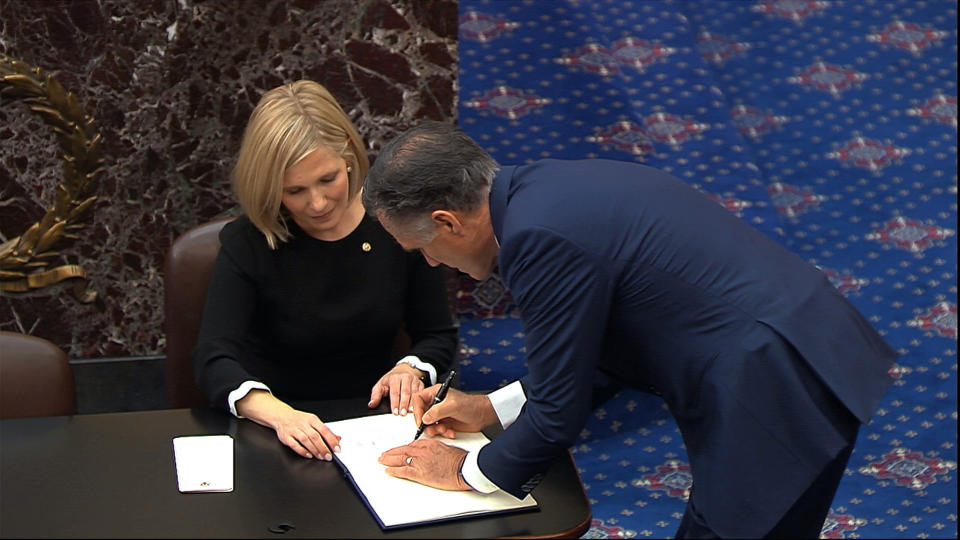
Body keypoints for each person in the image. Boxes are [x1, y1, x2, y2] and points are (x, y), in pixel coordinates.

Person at [361, 121, 897, 538]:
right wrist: (490, 409)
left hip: (771, 384)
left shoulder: (534, 239)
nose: (431, 263)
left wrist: (465, 472)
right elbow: (604, 347)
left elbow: (557, 416)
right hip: (808, 345)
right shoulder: (543, 188)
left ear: (448, 221)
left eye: (423, 248)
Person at [191, 82, 458, 462]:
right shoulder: (249, 241)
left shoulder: (395, 224)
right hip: (278, 428)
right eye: (295, 190)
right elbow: (213, 356)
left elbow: (437, 335)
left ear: (348, 156)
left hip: (377, 425)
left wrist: (410, 369)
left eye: (328, 179)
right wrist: (279, 415)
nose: (317, 203)